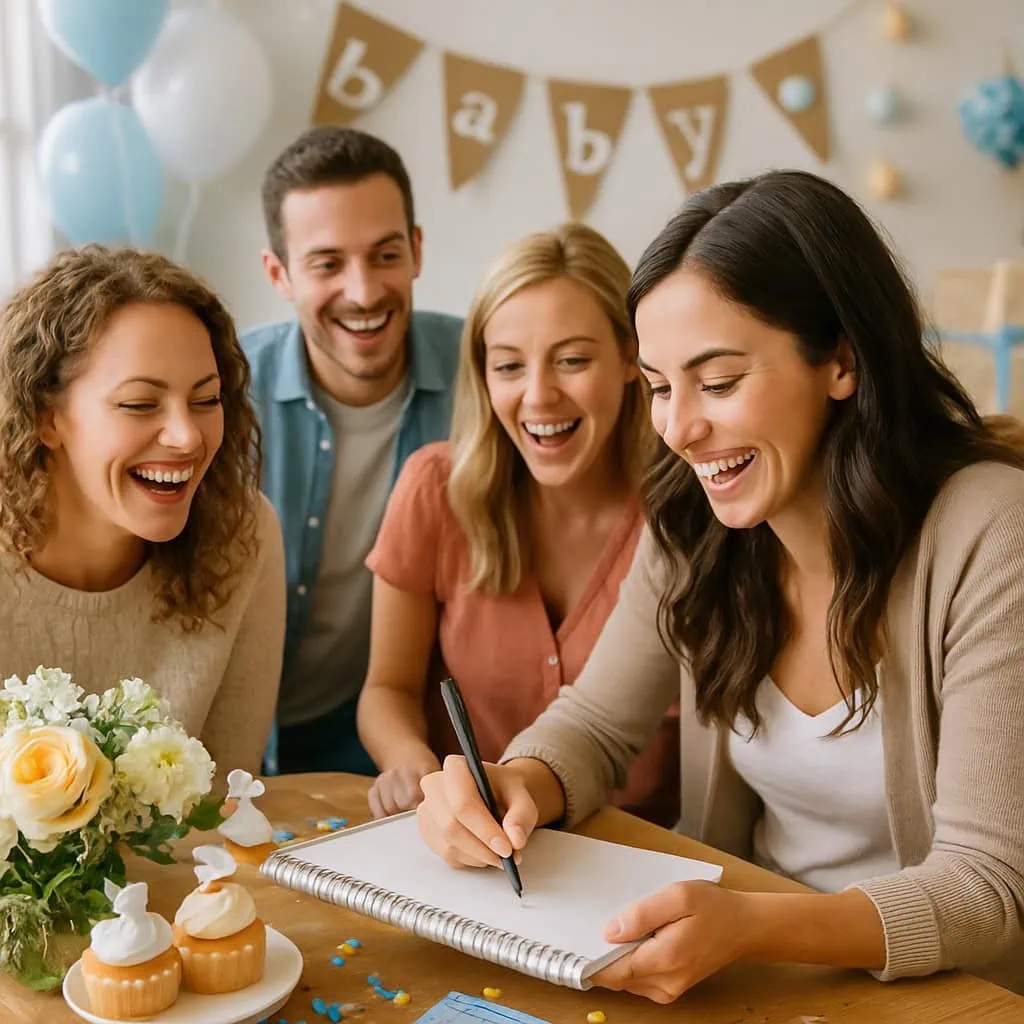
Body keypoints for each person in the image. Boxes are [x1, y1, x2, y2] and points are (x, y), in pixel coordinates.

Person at [414, 170, 1024, 999]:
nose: (678, 427)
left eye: (720, 381)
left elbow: (985, 886)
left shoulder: (992, 532)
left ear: (841, 360)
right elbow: (595, 725)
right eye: (661, 386)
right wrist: (519, 783)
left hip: (939, 992)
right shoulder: (692, 523)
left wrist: (756, 923)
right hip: (743, 971)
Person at [356, 223, 680, 827]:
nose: (538, 396)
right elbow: (387, 689)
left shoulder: (692, 515)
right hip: (475, 851)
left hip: (649, 860)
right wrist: (412, 765)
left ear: (631, 357)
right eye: (508, 367)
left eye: (573, 360)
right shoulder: (435, 489)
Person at [0, 245, 285, 777]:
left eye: (206, 400)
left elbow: (224, 804)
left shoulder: (242, 535)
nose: (186, 437)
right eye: (139, 403)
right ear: (46, 418)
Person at [242, 127, 463, 776]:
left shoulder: (486, 374)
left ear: (417, 250)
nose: (364, 293)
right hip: (234, 745)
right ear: (278, 274)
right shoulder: (220, 395)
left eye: (385, 254)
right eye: (328, 264)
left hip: (395, 742)